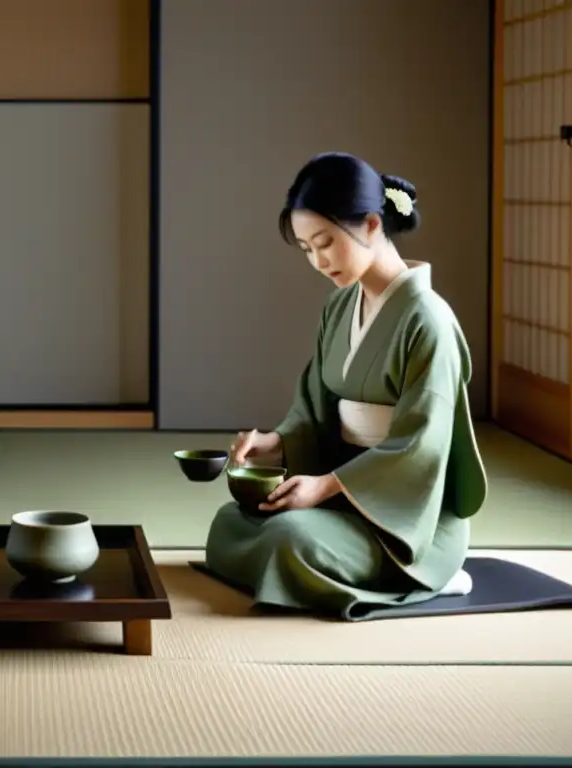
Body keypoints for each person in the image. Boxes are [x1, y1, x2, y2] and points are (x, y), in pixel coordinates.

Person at [204, 151, 488, 621]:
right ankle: (329, 550)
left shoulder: (429, 321)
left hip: (405, 519)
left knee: (288, 539)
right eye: (306, 248)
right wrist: (275, 445)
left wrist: (327, 487)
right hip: (341, 497)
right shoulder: (341, 308)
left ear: (373, 225)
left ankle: (430, 573)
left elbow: (423, 445)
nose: (317, 261)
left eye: (326, 243)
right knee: (232, 523)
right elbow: (315, 411)